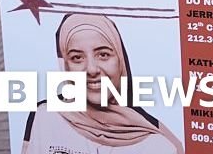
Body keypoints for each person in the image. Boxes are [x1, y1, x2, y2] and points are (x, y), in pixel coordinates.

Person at [22, 14, 184, 154]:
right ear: (65, 65)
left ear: (120, 61)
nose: (92, 69)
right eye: (77, 57)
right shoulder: (45, 117)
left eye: (103, 55)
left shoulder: (158, 144)